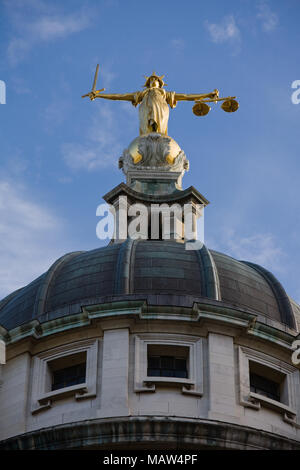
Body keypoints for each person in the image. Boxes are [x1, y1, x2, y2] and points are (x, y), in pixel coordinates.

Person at [87, 72, 219, 136]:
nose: (154, 80)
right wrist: (99, 95)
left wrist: (207, 95)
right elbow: (119, 96)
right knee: (147, 131)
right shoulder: (142, 94)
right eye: (151, 79)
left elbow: (187, 96)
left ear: (160, 83)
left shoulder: (165, 93)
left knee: (159, 131)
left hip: (161, 109)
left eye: (156, 79)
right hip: (145, 109)